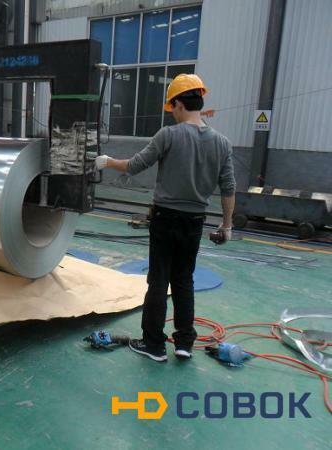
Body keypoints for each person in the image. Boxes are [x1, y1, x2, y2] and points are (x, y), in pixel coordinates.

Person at [94, 74, 236, 362]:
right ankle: (184, 343)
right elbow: (228, 188)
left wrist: (107, 161)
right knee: (184, 280)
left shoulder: (168, 135)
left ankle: (154, 345)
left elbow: (134, 166)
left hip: (165, 218)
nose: (173, 114)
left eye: (173, 108)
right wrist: (227, 225)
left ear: (180, 104)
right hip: (194, 222)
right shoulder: (222, 143)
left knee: (158, 281)